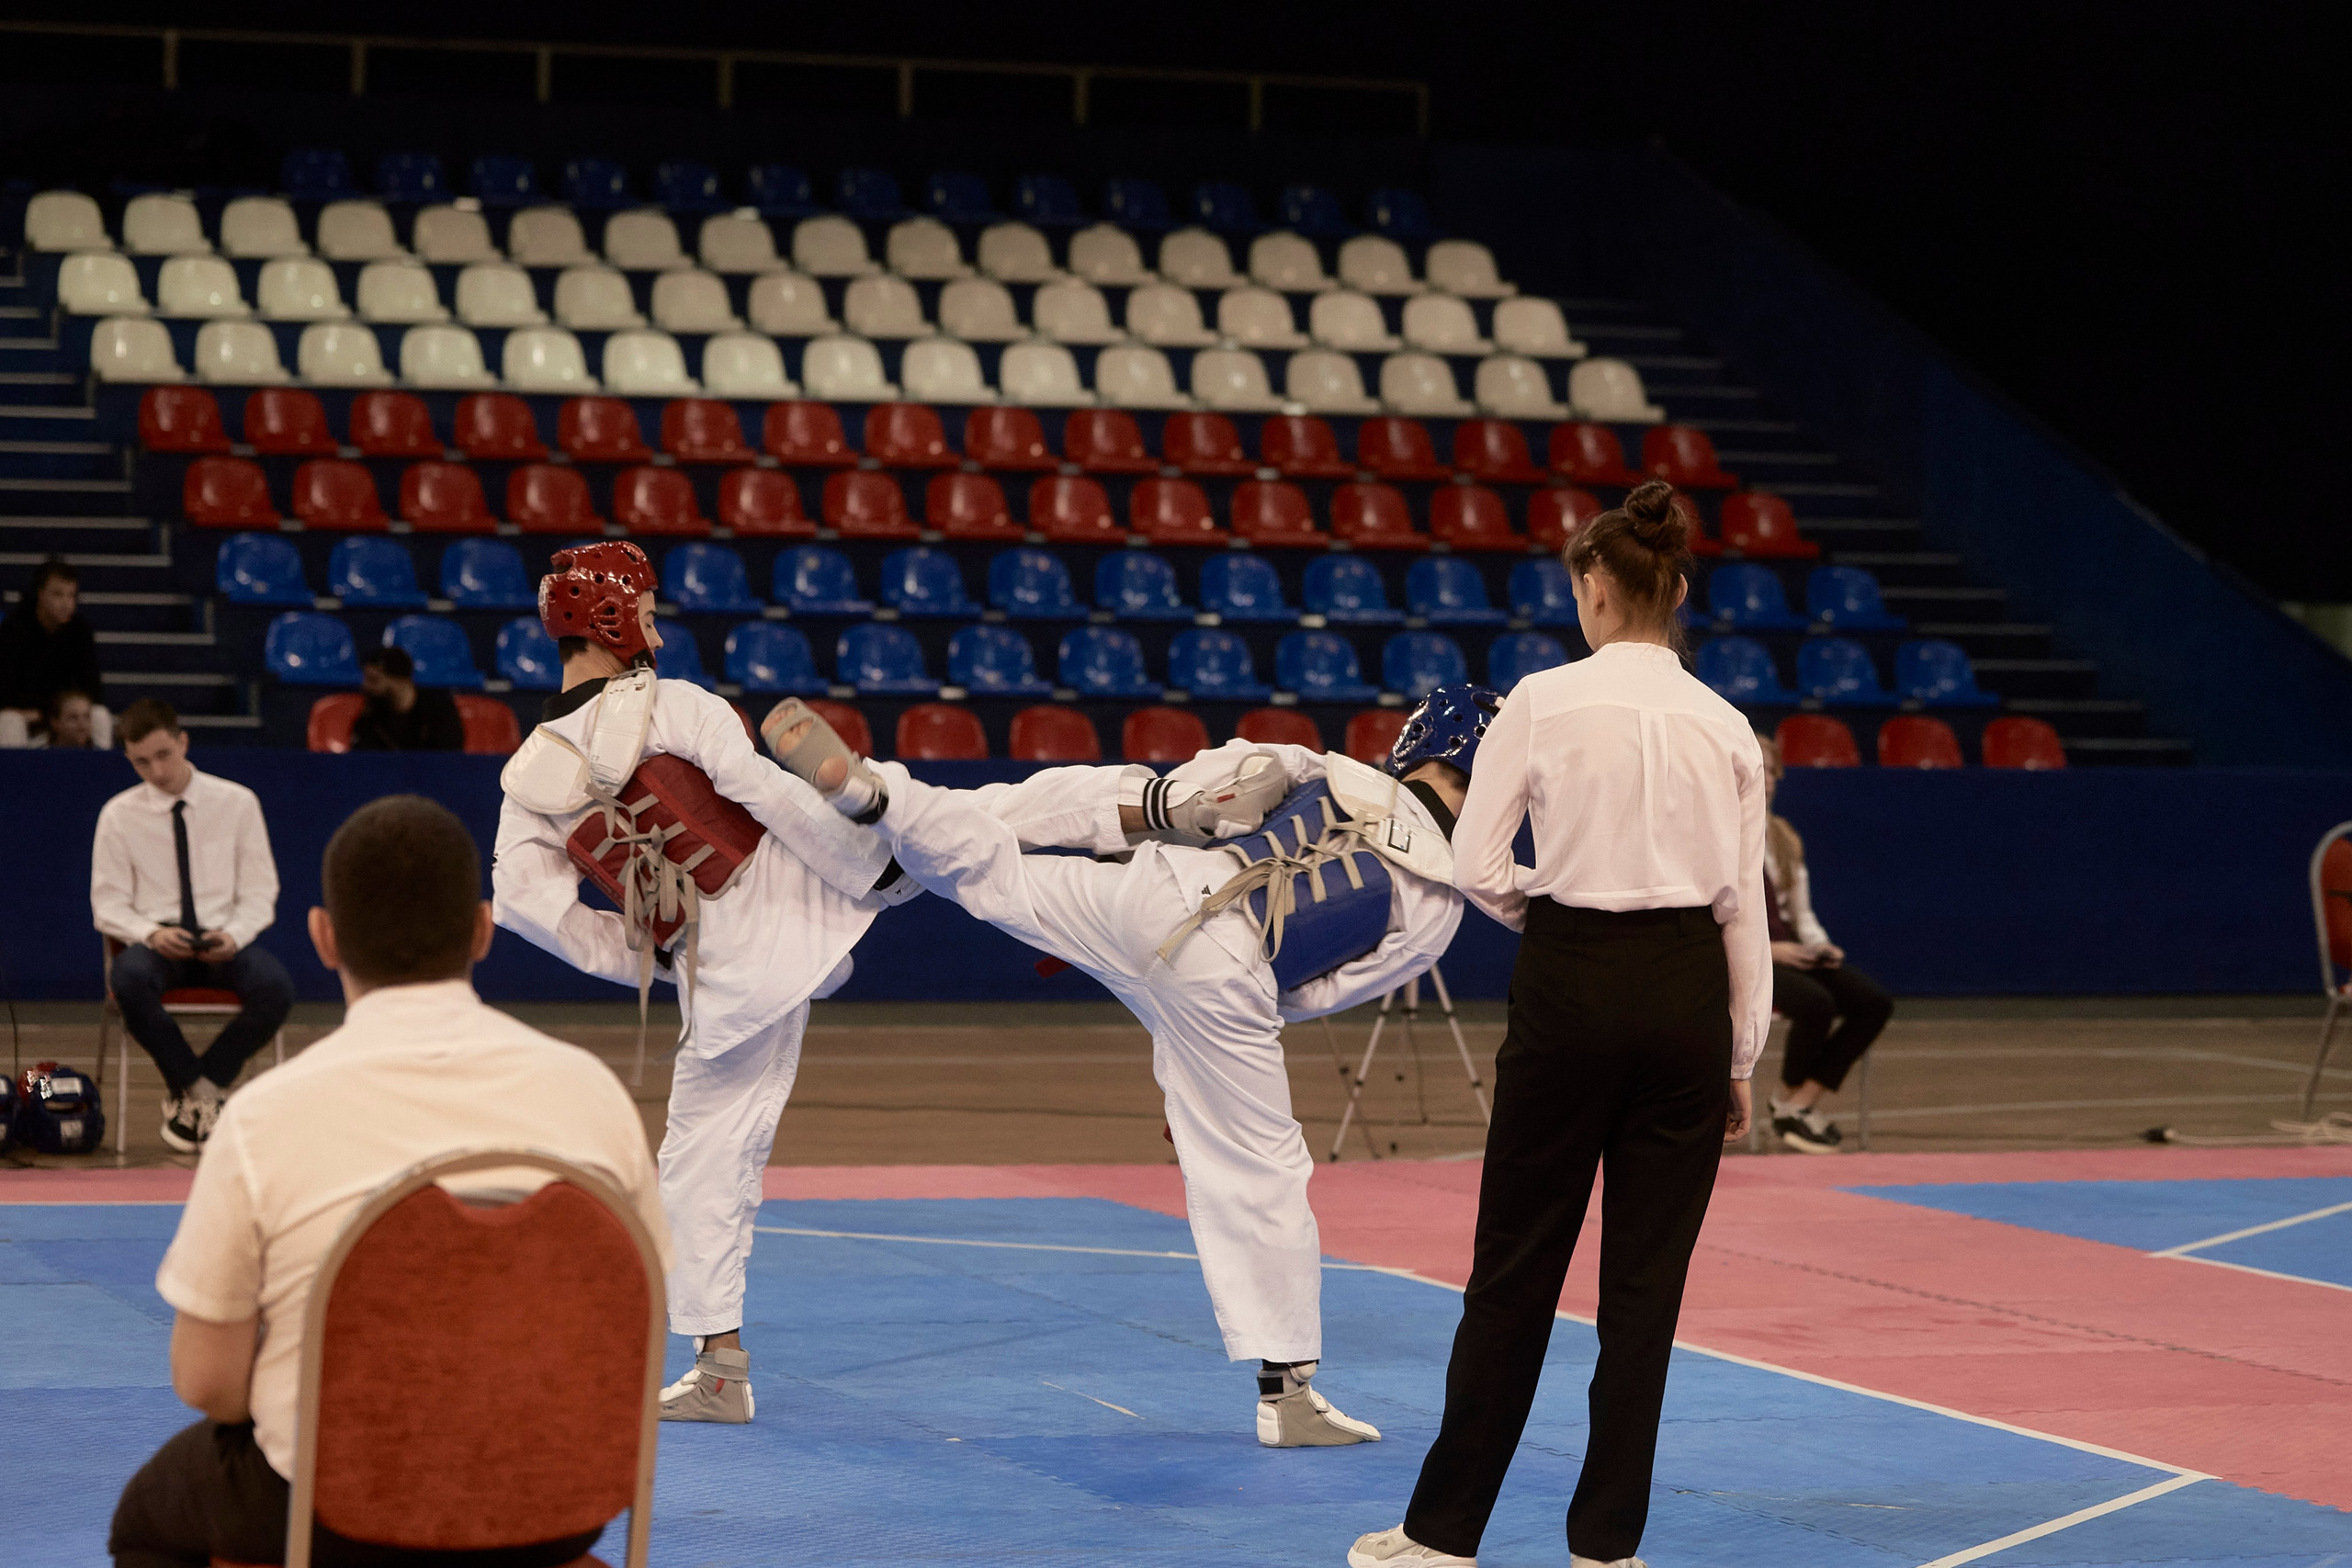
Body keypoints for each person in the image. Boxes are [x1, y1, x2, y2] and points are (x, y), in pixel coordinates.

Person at [763, 683, 1498, 1448]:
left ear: (1418, 741)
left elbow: (1210, 789)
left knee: (994, 865)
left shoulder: (1324, 767)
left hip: (1158, 891)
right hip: (1234, 971)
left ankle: (886, 800)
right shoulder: (1438, 900)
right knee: (1263, 1165)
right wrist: (1207, 1065)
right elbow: (1313, 993)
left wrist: (1157, 809)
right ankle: (1288, 1395)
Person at [1352, 481, 1769, 1568]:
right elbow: (1744, 913)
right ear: (1676, 592)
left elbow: (1474, 864)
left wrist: (1552, 915)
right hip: (1685, 999)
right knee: (1644, 1293)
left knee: (1515, 1269)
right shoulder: (1727, 726)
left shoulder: (1538, 701)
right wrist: (1737, 1054)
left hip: (1571, 980)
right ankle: (1607, 1548)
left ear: (1594, 587)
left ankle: (1442, 1536)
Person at [108, 795, 670, 1568]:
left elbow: (208, 1383)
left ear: (324, 938)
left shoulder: (265, 1118)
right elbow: (641, 1324)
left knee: (147, 1521)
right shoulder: (593, 1095)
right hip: (552, 1501)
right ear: (482, 929)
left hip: (336, 1511)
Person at [491, 541, 916, 1426]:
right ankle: (1128, 824)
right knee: (976, 829)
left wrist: (647, 953)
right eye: (645, 613)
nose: (654, 630)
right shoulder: (676, 704)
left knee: (701, 1161)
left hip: (722, 973)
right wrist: (871, 868)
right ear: (609, 619)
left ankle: (720, 1368)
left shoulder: (529, 778)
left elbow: (525, 907)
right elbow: (770, 794)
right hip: (805, 901)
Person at [91, 700, 294, 1153]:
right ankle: (203, 1094)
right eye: (142, 762)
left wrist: (234, 935)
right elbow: (107, 904)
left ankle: (197, 1092)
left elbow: (261, 891)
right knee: (128, 977)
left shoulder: (237, 803)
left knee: (276, 987)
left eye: (164, 755)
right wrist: (151, 934)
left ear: (183, 741)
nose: (157, 771)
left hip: (224, 938)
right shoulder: (118, 814)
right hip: (158, 941)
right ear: (128, 759)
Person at [1758, 733, 1894, 1154]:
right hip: (1748, 958)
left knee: (1872, 1002)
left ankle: (1796, 1102)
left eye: (1772, 771)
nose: (1766, 779)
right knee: (1816, 1004)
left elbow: (1802, 915)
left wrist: (1820, 946)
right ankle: (1789, 1105)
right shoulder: (1716, 836)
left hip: (1787, 950)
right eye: (1758, 769)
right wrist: (1768, 951)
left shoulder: (1784, 837)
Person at [0, 557, 112, 748]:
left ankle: (99, 766)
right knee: (9, 720)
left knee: (99, 715)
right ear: (41, 593)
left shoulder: (79, 630)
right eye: (58, 595)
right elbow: (5, 691)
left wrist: (68, 711)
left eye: (72, 595)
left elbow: (93, 688)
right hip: (31, 719)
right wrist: (46, 713)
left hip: (64, 716)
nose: (66, 603)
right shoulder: (13, 629)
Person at [350, 645, 464, 751]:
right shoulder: (371, 716)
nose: (365, 686)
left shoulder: (439, 710)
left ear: (400, 680)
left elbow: (450, 755)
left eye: (374, 680)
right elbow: (362, 756)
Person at [31, 686, 99, 749]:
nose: (82, 723)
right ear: (55, 723)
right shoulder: (39, 754)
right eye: (73, 717)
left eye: (87, 716)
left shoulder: (101, 755)